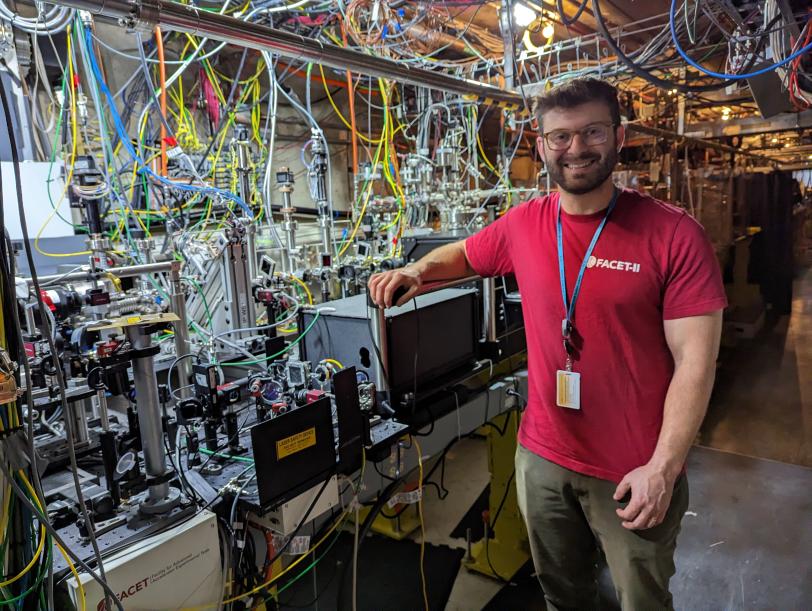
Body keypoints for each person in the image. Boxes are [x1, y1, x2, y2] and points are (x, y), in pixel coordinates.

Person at [367, 77, 726, 610]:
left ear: (619, 135)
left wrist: (664, 467)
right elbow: (465, 254)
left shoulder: (672, 235)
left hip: (633, 468)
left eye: (592, 132)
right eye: (559, 137)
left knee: (641, 599)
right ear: (541, 147)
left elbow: (695, 361)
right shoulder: (524, 223)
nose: (576, 148)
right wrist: (418, 269)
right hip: (544, 458)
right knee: (562, 595)